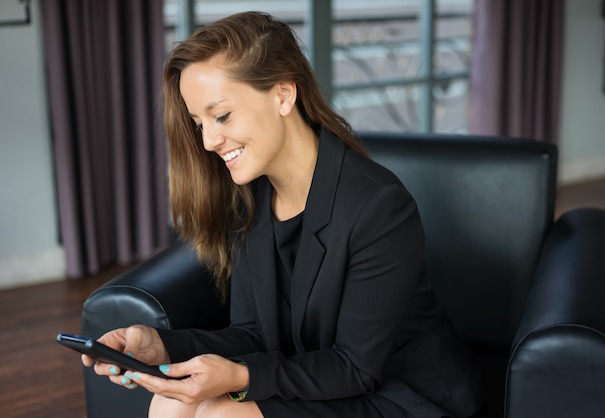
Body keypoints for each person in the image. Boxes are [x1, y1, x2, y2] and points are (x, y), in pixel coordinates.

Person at [82, 11, 484, 418]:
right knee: (169, 401)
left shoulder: (379, 207)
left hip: (401, 393)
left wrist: (239, 379)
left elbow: (356, 367)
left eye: (221, 116)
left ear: (283, 95)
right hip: (318, 379)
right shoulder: (252, 198)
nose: (208, 141)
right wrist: (162, 345)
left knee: (220, 414)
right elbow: (254, 333)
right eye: (198, 122)